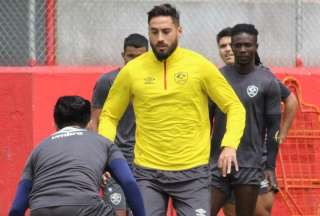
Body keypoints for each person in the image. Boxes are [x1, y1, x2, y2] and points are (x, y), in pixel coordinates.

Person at [98, 3, 246, 216]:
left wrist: (230, 145)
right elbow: (110, 115)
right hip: (147, 174)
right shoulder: (132, 71)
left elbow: (234, 107)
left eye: (166, 32)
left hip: (193, 173)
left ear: (179, 31)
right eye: (154, 32)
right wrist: (106, 153)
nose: (160, 38)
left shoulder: (200, 66)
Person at [9, 96, 145, 216]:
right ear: (89, 123)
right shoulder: (105, 144)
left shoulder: (38, 150)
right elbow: (128, 182)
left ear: (55, 123)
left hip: (40, 209)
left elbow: (16, 208)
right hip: (86, 207)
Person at [214, 27, 298, 216]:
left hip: (255, 161)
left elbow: (291, 100)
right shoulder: (216, 77)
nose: (228, 49)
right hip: (223, 159)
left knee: (259, 212)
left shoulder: (263, 77)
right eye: (223, 46)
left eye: (230, 45)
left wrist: (281, 135)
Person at [90, 33, 148, 216]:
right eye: (130, 56)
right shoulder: (107, 82)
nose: (134, 61)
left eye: (140, 57)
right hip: (116, 159)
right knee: (117, 212)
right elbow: (95, 123)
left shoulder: (153, 82)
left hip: (147, 160)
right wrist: (101, 162)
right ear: (123, 55)